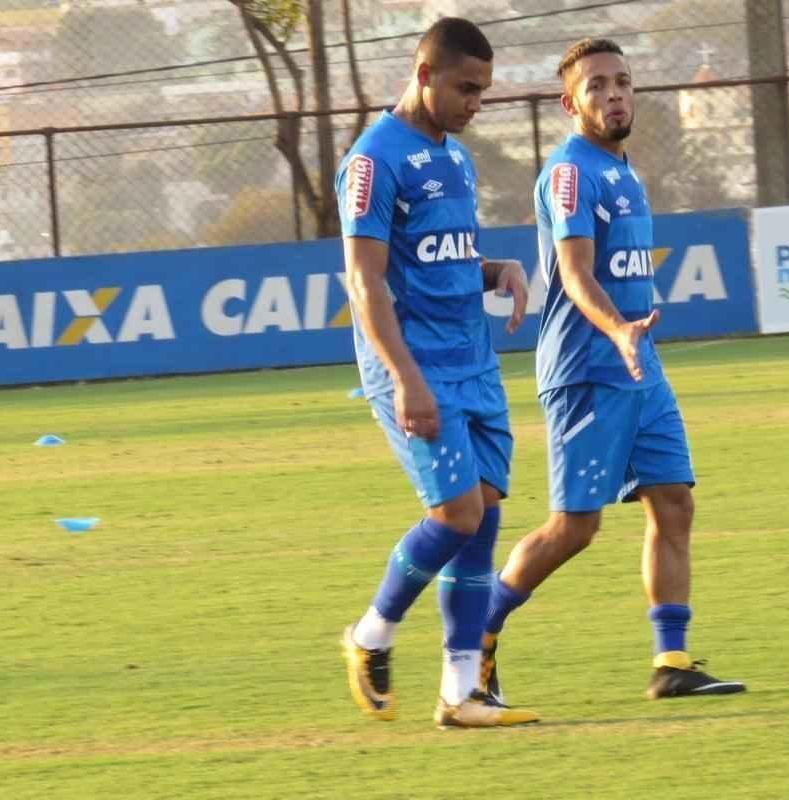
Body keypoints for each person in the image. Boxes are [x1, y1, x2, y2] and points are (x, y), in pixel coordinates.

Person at [479, 38, 746, 705]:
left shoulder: (625, 171)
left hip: (638, 366)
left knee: (674, 502)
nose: (615, 93)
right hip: (587, 371)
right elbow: (572, 272)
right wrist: (620, 330)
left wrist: (636, 340)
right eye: (597, 85)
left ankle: (672, 661)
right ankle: (473, 638)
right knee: (576, 527)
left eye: (623, 81)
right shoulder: (571, 174)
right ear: (571, 103)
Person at [336, 17, 538, 729]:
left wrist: (497, 268)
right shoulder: (373, 159)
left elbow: (442, 259)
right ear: (424, 74)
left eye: (482, 92)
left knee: (482, 508)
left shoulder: (454, 159)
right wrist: (405, 378)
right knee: (456, 512)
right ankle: (370, 635)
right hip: (418, 367)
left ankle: (460, 693)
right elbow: (365, 282)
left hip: (474, 361)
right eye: (465, 88)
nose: (474, 104)